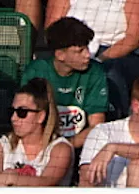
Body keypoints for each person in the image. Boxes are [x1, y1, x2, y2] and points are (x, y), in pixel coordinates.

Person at [46, 0, 139, 120]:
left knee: (108, 73)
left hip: (124, 54)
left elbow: (136, 38)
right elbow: (54, 31)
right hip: (78, 51)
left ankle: (113, 122)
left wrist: (98, 60)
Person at [20, 17, 107, 150]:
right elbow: (25, 120)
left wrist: (64, 148)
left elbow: (96, 125)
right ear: (60, 55)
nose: (88, 55)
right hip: (40, 145)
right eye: (80, 51)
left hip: (80, 146)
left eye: (87, 48)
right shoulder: (36, 71)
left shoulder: (95, 72)